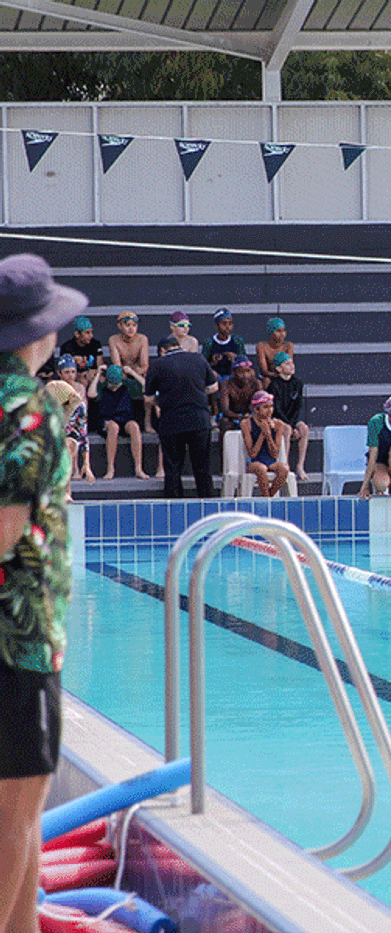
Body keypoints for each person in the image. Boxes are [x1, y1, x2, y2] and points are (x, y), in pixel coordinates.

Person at [0, 253, 86, 933]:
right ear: (39, 330)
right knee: (14, 812)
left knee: (23, 814)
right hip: (18, 636)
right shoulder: (27, 409)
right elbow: (4, 531)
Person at [144, 335, 219, 499]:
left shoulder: (157, 364)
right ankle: (207, 502)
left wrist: (164, 399)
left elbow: (148, 398)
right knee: (202, 466)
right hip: (199, 420)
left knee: (173, 466)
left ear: (162, 350)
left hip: (171, 421)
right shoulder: (198, 358)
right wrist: (196, 393)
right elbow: (213, 387)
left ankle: (174, 504)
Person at [89, 363, 149, 480]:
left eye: (117, 385)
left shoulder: (127, 385)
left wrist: (132, 373)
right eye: (112, 385)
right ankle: (110, 468)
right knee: (113, 427)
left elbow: (146, 386)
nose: (114, 387)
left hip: (125, 419)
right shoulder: (102, 386)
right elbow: (91, 394)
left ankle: (138, 468)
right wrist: (98, 374)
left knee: (134, 426)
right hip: (108, 420)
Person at [266, 351, 309, 481]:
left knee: (304, 428)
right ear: (279, 368)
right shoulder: (274, 385)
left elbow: (298, 407)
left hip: (291, 418)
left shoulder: (298, 383)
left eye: (292, 363)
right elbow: (277, 409)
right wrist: (290, 425)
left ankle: (300, 466)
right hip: (278, 418)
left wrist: (295, 424)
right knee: (287, 429)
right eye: (287, 364)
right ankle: (285, 465)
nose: (292, 366)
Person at [107, 309, 151, 434]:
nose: (131, 329)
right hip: (123, 374)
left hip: (137, 374)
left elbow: (145, 365)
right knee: (114, 376)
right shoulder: (114, 340)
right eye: (127, 325)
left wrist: (134, 372)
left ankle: (147, 422)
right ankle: (116, 419)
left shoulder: (142, 339)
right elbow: (117, 365)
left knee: (148, 383)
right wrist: (126, 372)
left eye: (134, 325)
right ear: (120, 326)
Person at [242, 390, 291, 497]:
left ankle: (268, 497)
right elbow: (252, 454)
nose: (270, 410)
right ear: (256, 409)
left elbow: (275, 454)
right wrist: (262, 434)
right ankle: (267, 499)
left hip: (271, 461)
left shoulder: (278, 424)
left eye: (271, 406)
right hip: (254, 462)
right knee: (261, 469)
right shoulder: (246, 424)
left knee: (284, 469)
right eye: (265, 407)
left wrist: (268, 435)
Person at [54, 356, 94, 487]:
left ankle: (80, 467)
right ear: (59, 373)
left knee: (75, 435)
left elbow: (82, 425)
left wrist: (87, 464)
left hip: (74, 426)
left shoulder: (80, 389)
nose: (70, 375)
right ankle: (71, 470)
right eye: (67, 372)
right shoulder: (55, 389)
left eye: (73, 372)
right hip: (58, 426)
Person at [43, 378, 84, 502]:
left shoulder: (79, 407)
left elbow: (83, 433)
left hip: (71, 437)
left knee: (65, 447)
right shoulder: (46, 409)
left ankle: (66, 491)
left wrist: (86, 464)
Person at [58, 316, 105, 390]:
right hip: (76, 377)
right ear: (77, 334)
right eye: (87, 332)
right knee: (83, 381)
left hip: (92, 375)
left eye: (91, 332)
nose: (91, 335)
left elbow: (100, 365)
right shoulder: (67, 347)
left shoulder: (96, 344)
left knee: (102, 379)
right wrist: (83, 375)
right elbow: (65, 372)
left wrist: (94, 372)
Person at [217, 355, 259, 433]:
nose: (245, 375)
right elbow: (225, 410)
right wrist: (240, 417)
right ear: (234, 372)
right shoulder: (227, 384)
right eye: (241, 372)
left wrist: (252, 416)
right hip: (233, 417)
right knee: (224, 422)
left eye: (247, 371)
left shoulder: (256, 383)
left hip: (251, 415)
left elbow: (261, 405)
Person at [202, 308, 246, 379]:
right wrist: (213, 362)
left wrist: (236, 358)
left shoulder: (237, 341)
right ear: (216, 326)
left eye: (230, 323)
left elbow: (245, 364)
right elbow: (203, 366)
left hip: (234, 377)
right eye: (224, 323)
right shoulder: (209, 342)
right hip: (215, 377)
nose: (227, 327)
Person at [255, 316, 294, 385]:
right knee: (266, 381)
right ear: (271, 332)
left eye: (284, 331)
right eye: (278, 331)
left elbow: (288, 368)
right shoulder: (261, 346)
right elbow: (264, 371)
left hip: (284, 376)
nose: (282, 334)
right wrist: (277, 376)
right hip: (269, 377)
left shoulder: (288, 346)